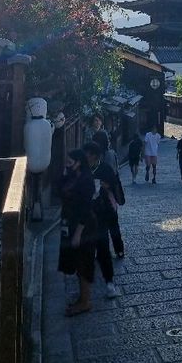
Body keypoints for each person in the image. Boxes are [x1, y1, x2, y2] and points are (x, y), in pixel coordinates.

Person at [58, 149, 97, 316]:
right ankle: (82, 298)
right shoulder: (73, 177)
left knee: (83, 263)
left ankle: (85, 301)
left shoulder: (87, 180)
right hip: (70, 224)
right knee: (75, 262)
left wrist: (78, 234)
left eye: (70, 162)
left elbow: (86, 209)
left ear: (79, 162)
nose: (68, 165)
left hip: (84, 227)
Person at [83, 141, 121, 296]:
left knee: (103, 248)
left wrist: (105, 186)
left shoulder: (105, 169)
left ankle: (109, 283)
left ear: (95, 156)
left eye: (88, 155)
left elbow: (114, 185)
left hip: (102, 213)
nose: (86, 157)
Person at [92, 130, 125, 258]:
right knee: (113, 225)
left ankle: (101, 251)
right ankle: (119, 249)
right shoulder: (111, 154)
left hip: (97, 196)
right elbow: (116, 172)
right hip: (110, 195)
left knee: (100, 226)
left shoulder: (94, 155)